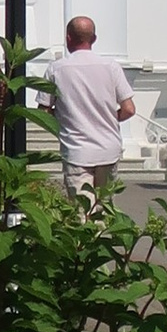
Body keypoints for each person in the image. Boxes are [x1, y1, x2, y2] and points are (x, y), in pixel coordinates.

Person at [49, 16, 135, 204]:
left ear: (68, 38)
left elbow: (44, 110)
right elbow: (129, 109)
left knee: (81, 211)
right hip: (107, 148)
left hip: (76, 148)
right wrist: (108, 118)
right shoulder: (111, 66)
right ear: (93, 39)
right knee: (104, 207)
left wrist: (65, 118)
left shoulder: (56, 69)